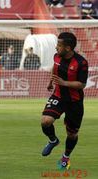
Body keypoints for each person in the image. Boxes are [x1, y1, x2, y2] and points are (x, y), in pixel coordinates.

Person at [41, 32, 88, 170]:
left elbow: (82, 84)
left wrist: (64, 82)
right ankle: (53, 140)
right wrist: (51, 82)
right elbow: (54, 68)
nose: (56, 47)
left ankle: (65, 157)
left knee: (72, 134)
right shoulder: (57, 56)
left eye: (59, 45)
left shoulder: (81, 62)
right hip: (58, 96)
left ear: (68, 48)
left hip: (74, 101)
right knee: (45, 121)